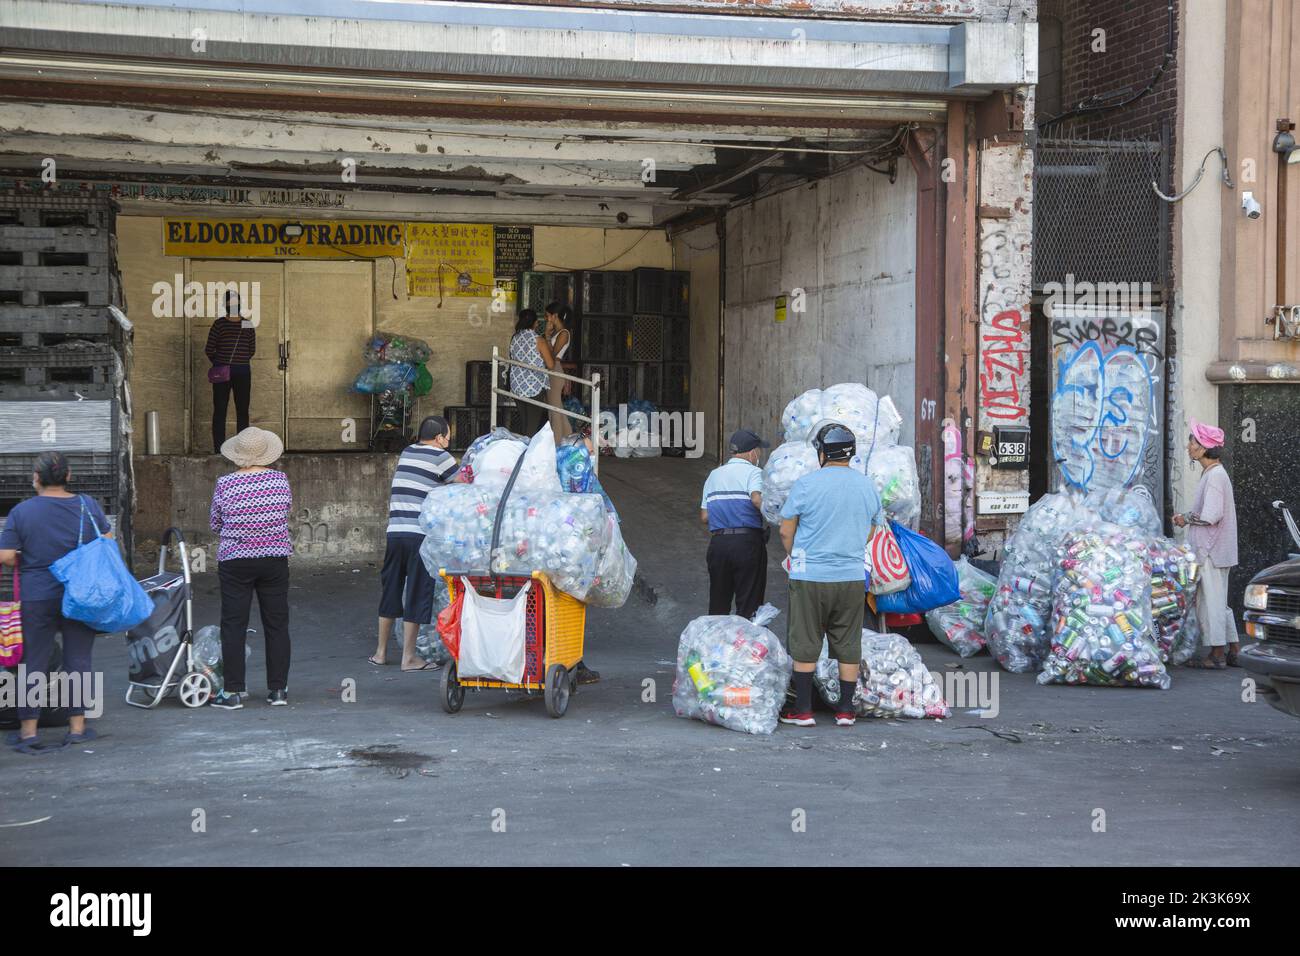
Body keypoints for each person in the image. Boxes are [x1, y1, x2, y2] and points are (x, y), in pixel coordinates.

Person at [0, 452, 109, 754]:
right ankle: (77, 729)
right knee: (79, 661)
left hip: (37, 595)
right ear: (69, 476)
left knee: (32, 663)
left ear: (36, 477)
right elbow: (107, 541)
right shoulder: (88, 506)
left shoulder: (22, 512)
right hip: (81, 595)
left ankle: (28, 733)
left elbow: (6, 557)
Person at [777, 422, 883, 728]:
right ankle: (846, 710)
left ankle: (804, 711)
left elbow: (786, 529)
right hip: (850, 577)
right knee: (848, 641)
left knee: (806, 640)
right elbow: (873, 528)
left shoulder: (807, 484)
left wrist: (794, 554)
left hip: (810, 576)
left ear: (823, 452)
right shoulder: (866, 485)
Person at [209, 427, 293, 709]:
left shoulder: (225, 484)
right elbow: (284, 513)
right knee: (277, 623)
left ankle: (233, 691)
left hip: (235, 559)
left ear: (238, 455)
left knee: (233, 624)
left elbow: (215, 524)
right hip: (274, 558)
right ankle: (278, 690)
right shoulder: (280, 480)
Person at [370, 415, 458, 671]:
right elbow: (462, 486)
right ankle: (408, 658)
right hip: (419, 536)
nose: (449, 440)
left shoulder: (407, 452)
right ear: (440, 437)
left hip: (395, 533)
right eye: (448, 435)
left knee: (391, 589)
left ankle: (380, 653)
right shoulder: (442, 457)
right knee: (418, 592)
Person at [1174, 420, 1240, 669]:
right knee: (1218, 600)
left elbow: (1211, 516)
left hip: (1211, 550)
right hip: (1215, 549)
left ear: (1203, 448)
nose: (1188, 446)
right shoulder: (1213, 474)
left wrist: (1185, 518)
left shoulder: (1214, 476)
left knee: (1210, 601)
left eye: (1192, 442)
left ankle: (1217, 654)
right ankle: (1233, 648)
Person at [699, 429, 770, 619]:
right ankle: (746, 646)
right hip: (747, 543)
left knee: (718, 605)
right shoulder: (755, 472)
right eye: (759, 451)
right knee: (749, 606)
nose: (760, 455)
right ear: (752, 452)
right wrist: (774, 515)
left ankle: (715, 645)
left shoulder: (714, 475)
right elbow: (756, 499)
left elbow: (705, 516)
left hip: (719, 545)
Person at [206, 289, 255, 454]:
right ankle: (221, 449)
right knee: (225, 411)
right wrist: (224, 364)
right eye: (230, 303)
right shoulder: (220, 324)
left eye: (234, 303)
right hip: (232, 373)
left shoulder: (244, 324)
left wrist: (224, 362)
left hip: (238, 373)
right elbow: (209, 349)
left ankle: (238, 449)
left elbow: (251, 349)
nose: (232, 306)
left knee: (237, 411)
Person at [508, 309, 554, 436]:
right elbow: (550, 364)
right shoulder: (539, 340)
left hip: (517, 385)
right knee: (532, 426)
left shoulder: (515, 338)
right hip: (534, 387)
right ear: (535, 323)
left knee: (525, 423)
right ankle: (527, 453)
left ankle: (523, 449)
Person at [543, 302, 574, 440]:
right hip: (551, 370)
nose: (546, 319)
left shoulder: (564, 333)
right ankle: (568, 437)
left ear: (555, 316)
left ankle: (556, 442)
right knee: (556, 407)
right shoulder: (557, 332)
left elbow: (552, 354)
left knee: (554, 409)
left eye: (548, 315)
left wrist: (547, 336)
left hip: (555, 369)